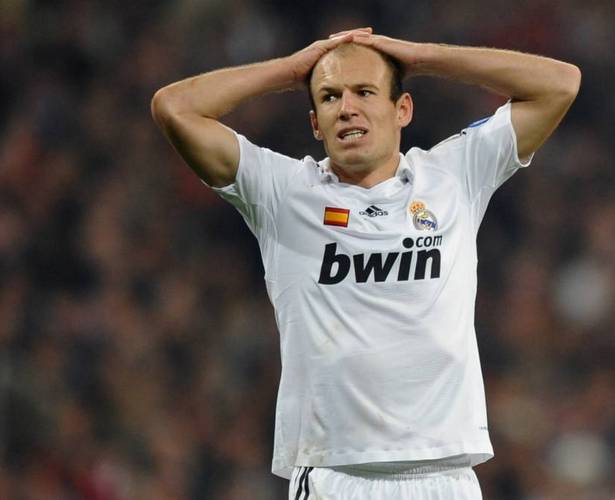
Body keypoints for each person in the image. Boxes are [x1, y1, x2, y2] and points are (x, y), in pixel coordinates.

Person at [151, 27, 580, 500]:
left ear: (403, 109)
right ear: (316, 124)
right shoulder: (283, 193)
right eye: (330, 97)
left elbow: (559, 83)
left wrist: (421, 57)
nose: (347, 108)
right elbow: (174, 108)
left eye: (365, 91)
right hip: (338, 475)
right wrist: (290, 70)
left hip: (446, 477)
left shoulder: (453, 175)